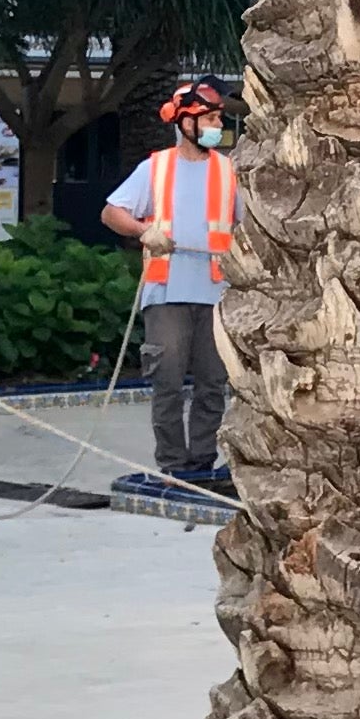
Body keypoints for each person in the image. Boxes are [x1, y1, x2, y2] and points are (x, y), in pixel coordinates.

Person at [101, 73, 239, 487]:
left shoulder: (229, 171)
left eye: (219, 119)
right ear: (186, 122)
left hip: (216, 293)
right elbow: (112, 212)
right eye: (211, 118)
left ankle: (202, 463)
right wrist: (143, 231)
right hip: (167, 293)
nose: (218, 127)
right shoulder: (155, 168)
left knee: (214, 383)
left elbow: (249, 226)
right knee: (168, 381)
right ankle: (174, 466)